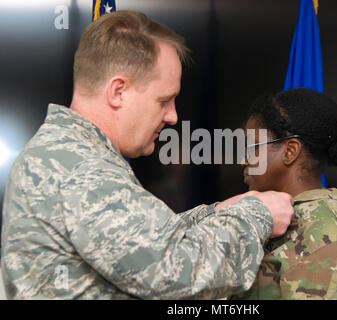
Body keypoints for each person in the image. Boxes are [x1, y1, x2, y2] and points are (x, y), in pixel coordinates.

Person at [0, 11, 295, 299]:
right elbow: (177, 272)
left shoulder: (66, 153)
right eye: (164, 101)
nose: (173, 116)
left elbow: (140, 243)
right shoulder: (81, 168)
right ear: (118, 91)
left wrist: (216, 213)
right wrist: (258, 215)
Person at [233, 88, 337, 300]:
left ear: (290, 151)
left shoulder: (327, 243)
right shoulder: (280, 224)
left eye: (252, 147)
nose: (243, 160)